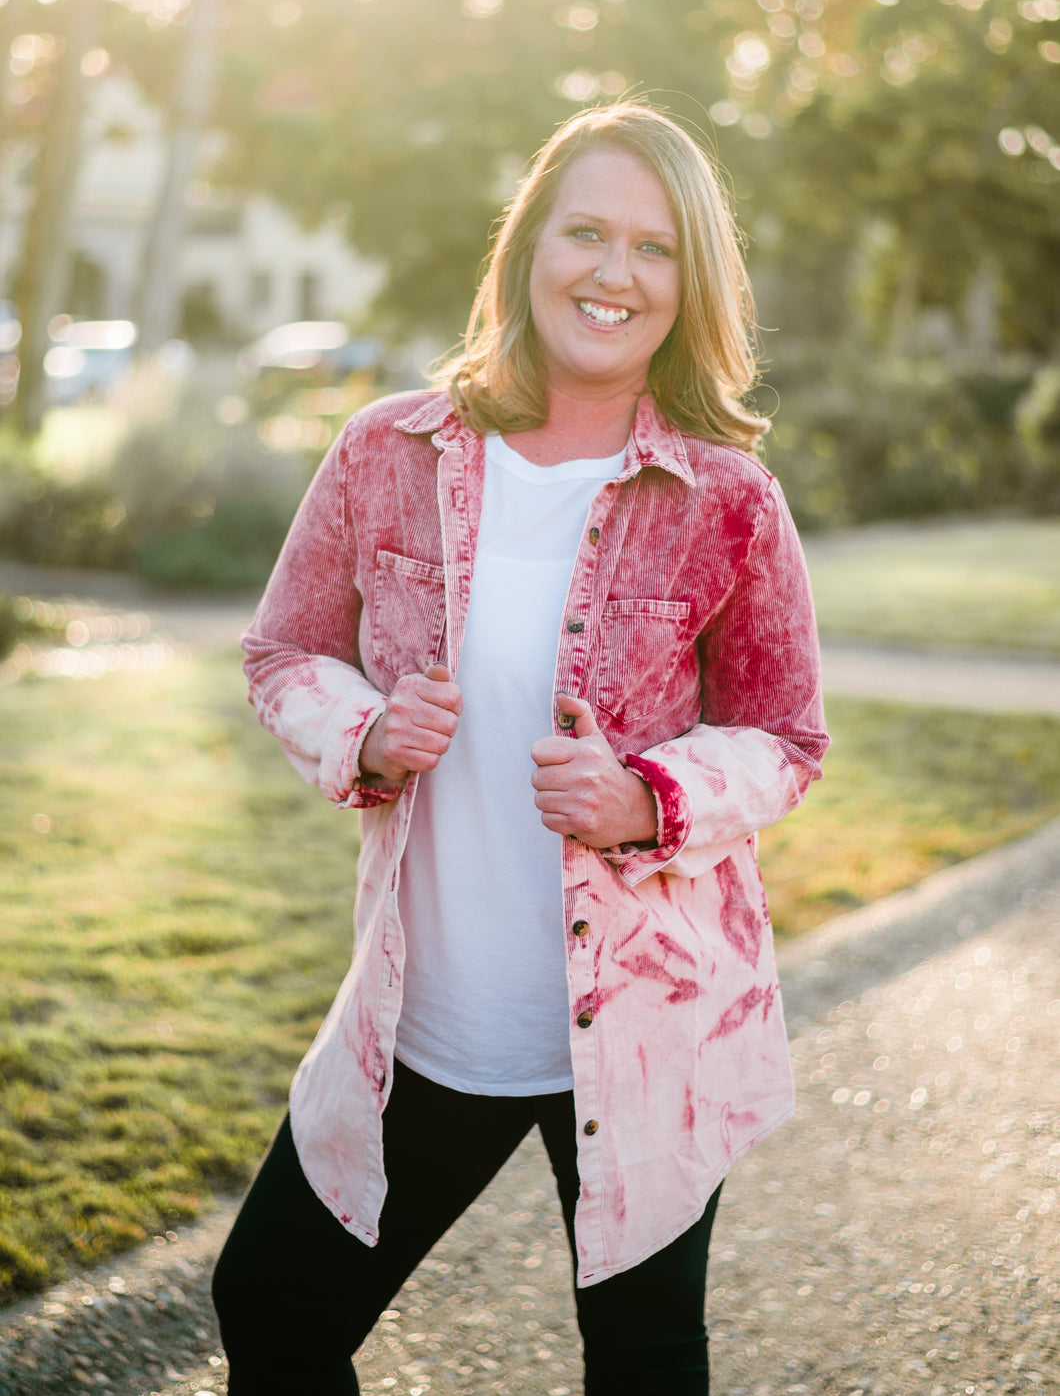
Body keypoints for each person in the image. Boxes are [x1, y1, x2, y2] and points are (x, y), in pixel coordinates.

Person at [212, 100, 829, 1395]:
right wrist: (367, 733)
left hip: (650, 1025)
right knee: (271, 1305)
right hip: (430, 1016)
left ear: (691, 284)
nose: (613, 273)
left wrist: (645, 799)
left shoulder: (727, 498)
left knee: (644, 1368)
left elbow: (784, 738)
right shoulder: (388, 449)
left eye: (654, 248)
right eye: (586, 232)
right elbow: (282, 653)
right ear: (528, 248)